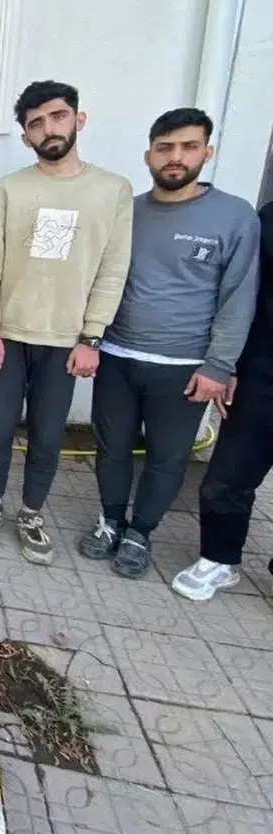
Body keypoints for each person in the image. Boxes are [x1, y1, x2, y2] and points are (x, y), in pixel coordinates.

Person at [83, 109, 257, 578]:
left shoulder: (233, 216)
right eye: (165, 148)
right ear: (149, 155)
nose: (175, 157)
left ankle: (140, 532)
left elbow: (239, 296)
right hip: (117, 353)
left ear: (207, 152)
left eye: (188, 147)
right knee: (112, 447)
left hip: (184, 363)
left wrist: (219, 365)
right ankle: (111, 521)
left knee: (168, 456)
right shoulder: (129, 212)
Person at [0, 80, 133, 564]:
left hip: (66, 339)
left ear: (79, 119)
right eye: (36, 123)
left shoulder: (112, 191)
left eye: (58, 116)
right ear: (25, 137)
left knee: (47, 434)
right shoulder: (9, 189)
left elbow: (113, 270)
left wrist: (91, 337)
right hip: (7, 336)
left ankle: (31, 514)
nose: (48, 129)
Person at [173, 197, 273, 600]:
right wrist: (228, 364)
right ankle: (219, 559)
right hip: (263, 374)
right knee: (228, 476)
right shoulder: (269, 218)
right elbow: (245, 296)